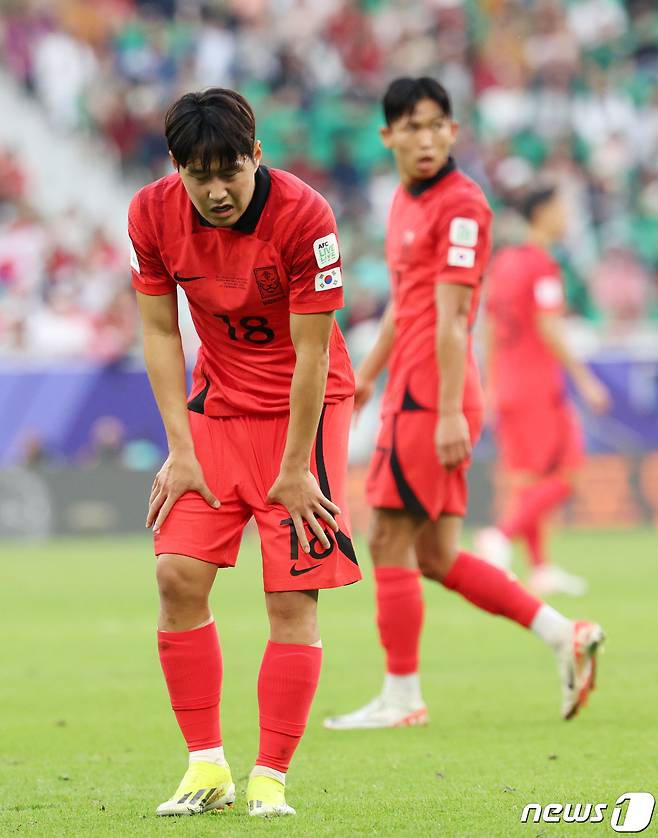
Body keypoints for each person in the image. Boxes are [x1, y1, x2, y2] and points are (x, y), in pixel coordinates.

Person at [323, 77, 604, 732]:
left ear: (452, 132)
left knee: (388, 536)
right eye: (410, 127)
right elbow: (406, 300)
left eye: (435, 125)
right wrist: (367, 375)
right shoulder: (402, 201)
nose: (425, 138)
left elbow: (453, 319)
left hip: (432, 395)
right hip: (414, 389)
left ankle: (401, 697)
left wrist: (447, 409)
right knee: (437, 557)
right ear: (387, 136)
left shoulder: (463, 206)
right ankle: (566, 633)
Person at [128, 87, 360, 818]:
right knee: (175, 576)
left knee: (290, 599)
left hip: (306, 415)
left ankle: (270, 777)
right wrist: (179, 448)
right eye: (201, 175)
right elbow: (163, 334)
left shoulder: (306, 216)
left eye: (231, 169)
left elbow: (312, 355)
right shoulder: (149, 214)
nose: (218, 189)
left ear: (257, 155)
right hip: (217, 410)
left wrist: (295, 469)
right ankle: (206, 769)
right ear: (177, 168)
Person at [476, 186, 611, 595]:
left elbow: (489, 329)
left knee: (529, 480)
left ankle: (541, 568)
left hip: (511, 383)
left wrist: (489, 383)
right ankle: (499, 535)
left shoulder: (504, 263)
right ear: (542, 213)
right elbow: (549, 326)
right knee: (567, 471)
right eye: (560, 208)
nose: (566, 215)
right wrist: (585, 379)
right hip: (538, 383)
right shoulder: (542, 265)